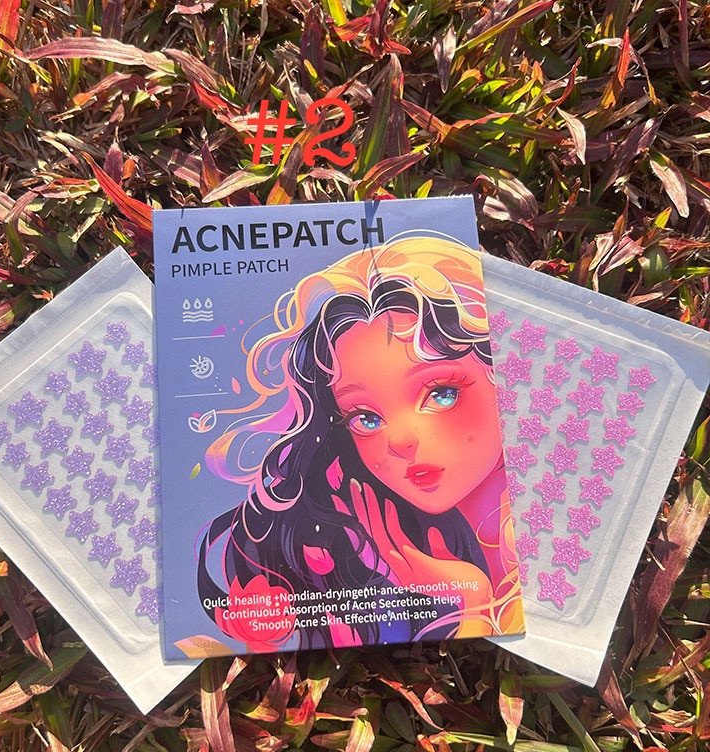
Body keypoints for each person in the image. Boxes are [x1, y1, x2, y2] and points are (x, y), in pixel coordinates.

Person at [194, 235, 524, 654]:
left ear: (501, 373)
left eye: (441, 393)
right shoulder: (381, 545)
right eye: (365, 418)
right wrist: (468, 598)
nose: (400, 441)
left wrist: (472, 601)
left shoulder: (555, 518)